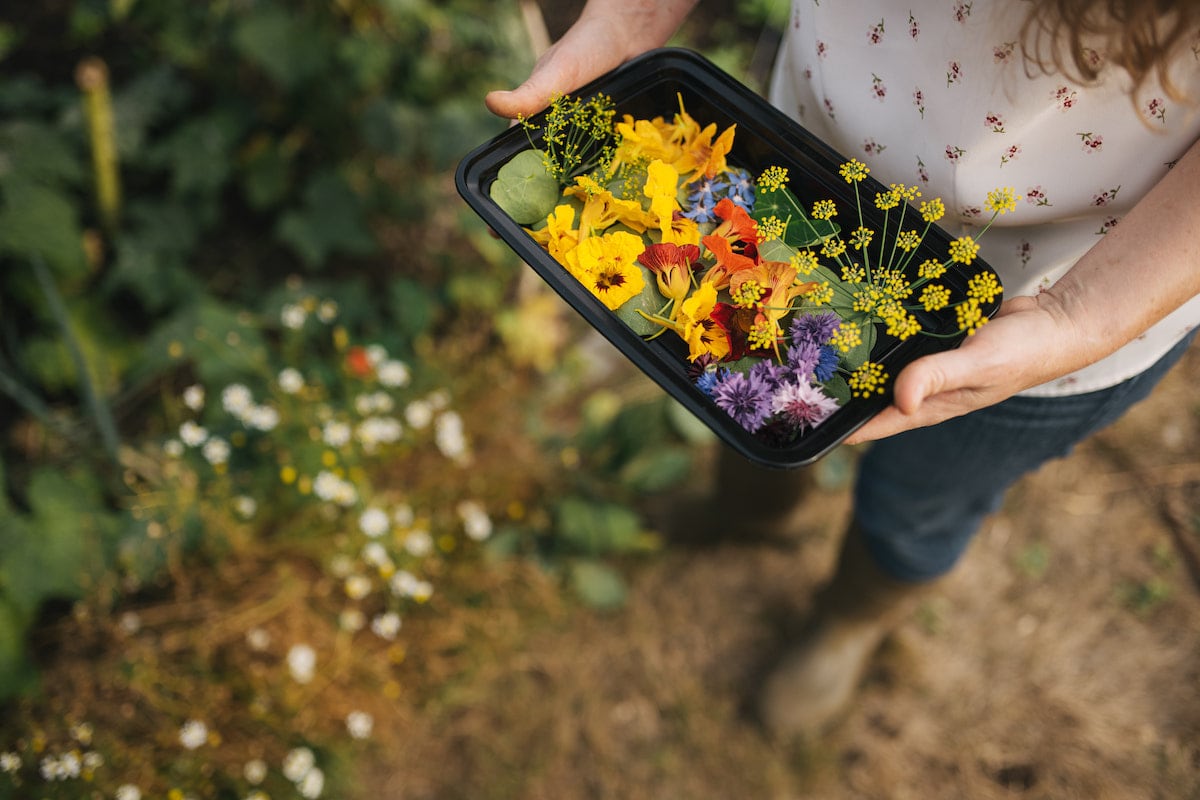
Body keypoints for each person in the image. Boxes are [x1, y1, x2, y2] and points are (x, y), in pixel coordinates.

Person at [486, 0, 1200, 739]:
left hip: (1064, 278)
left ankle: (851, 620)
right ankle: (753, 514)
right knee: (759, 408)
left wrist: (1077, 317)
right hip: (812, 144)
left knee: (924, 500)